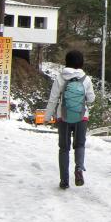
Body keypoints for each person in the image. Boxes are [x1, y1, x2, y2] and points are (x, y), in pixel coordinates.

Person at [44, 49, 96, 190]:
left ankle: (64, 180)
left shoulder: (60, 78)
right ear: (81, 63)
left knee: (64, 148)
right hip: (81, 117)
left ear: (66, 62)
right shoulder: (86, 79)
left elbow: (53, 100)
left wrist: (47, 117)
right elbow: (91, 99)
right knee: (79, 145)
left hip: (63, 117)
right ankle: (79, 169)